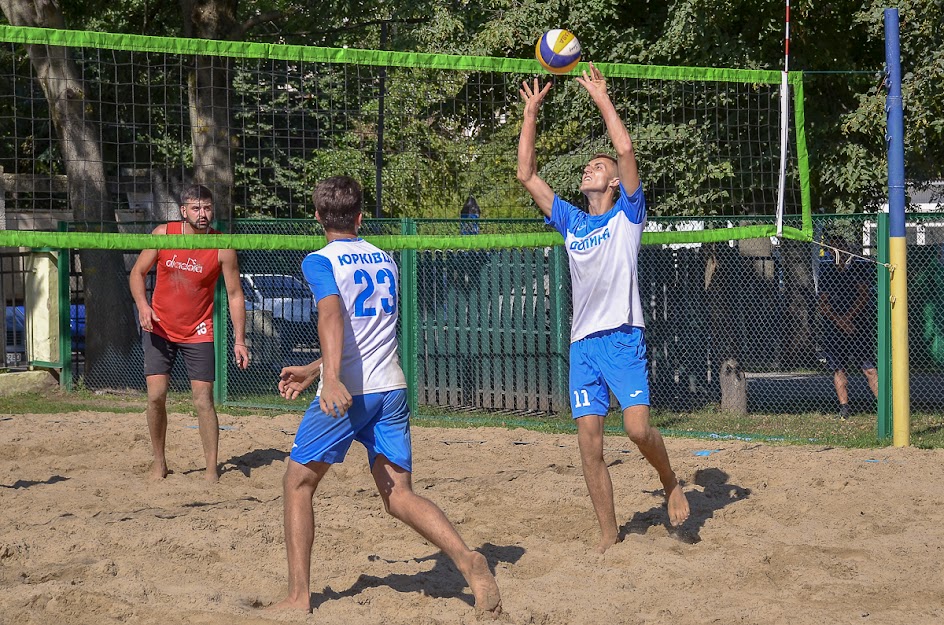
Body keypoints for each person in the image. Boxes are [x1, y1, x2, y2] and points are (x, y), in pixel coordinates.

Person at [267, 176, 501, 615]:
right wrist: (316, 369)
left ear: (317, 217)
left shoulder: (320, 261)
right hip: (391, 386)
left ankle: (299, 598)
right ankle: (468, 561)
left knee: (297, 484)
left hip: (351, 391)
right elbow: (364, 332)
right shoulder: (385, 260)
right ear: (360, 217)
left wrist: (331, 378)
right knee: (399, 496)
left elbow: (334, 316)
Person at [516, 63, 690, 553]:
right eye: (589, 167)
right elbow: (525, 174)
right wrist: (531, 113)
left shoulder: (628, 216)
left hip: (622, 336)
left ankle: (670, 478)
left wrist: (601, 98)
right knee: (589, 447)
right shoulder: (571, 220)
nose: (590, 169)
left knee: (636, 429)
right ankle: (609, 537)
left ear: (614, 184)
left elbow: (626, 149)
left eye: (599, 167)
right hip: (583, 345)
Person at [129, 184, 249, 483]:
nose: (203, 213)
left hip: (198, 329)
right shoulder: (164, 235)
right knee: (156, 396)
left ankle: (211, 469)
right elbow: (137, 273)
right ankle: (159, 462)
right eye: (196, 208)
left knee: (203, 399)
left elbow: (235, 294)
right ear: (183, 211)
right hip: (159, 325)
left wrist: (239, 339)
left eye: (207, 207)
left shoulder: (222, 245)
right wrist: (143, 306)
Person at [817, 242, 878, 419]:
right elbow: (823, 303)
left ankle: (883, 407)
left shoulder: (857, 268)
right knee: (839, 369)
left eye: (840, 248)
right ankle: (844, 408)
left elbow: (864, 295)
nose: (838, 253)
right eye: (833, 249)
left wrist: (848, 318)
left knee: (869, 369)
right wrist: (840, 321)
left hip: (857, 326)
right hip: (835, 328)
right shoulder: (827, 271)